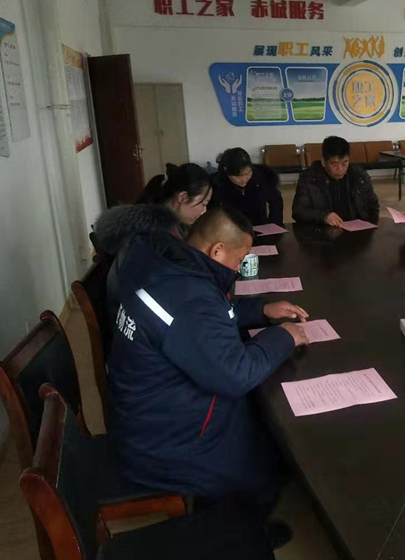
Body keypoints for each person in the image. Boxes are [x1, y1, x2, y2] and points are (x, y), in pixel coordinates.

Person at [107, 205, 309, 512]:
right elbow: (235, 374)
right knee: (269, 462)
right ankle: (231, 528)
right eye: (239, 260)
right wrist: (284, 337)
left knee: (262, 430)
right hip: (164, 446)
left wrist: (261, 310)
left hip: (147, 415)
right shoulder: (190, 296)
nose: (239, 269)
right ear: (217, 250)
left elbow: (201, 321)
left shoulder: (167, 265)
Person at [94, 162, 211, 257]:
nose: (204, 211)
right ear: (183, 197)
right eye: (203, 204)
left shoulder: (146, 220)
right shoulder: (159, 236)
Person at [292, 136, 379, 226]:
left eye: (344, 163)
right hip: (322, 230)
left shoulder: (359, 176)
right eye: (334, 164)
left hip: (356, 229)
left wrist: (369, 227)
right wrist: (323, 216)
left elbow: (373, 206)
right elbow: (299, 211)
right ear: (323, 162)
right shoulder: (310, 178)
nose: (340, 169)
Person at [210, 147, 284, 226]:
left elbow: (276, 201)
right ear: (226, 170)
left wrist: (274, 224)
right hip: (230, 227)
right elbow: (211, 213)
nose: (244, 179)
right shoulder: (216, 185)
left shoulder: (261, 177)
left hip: (259, 226)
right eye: (238, 176)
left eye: (248, 173)